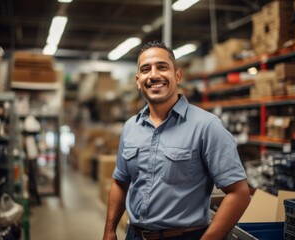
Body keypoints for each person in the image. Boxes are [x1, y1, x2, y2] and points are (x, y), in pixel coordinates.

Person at [103, 40, 251, 240]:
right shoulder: (131, 127)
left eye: (162, 67)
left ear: (177, 75)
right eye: (146, 69)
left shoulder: (206, 126)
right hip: (134, 235)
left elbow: (239, 193)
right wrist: (109, 230)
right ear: (138, 81)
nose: (154, 75)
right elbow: (121, 182)